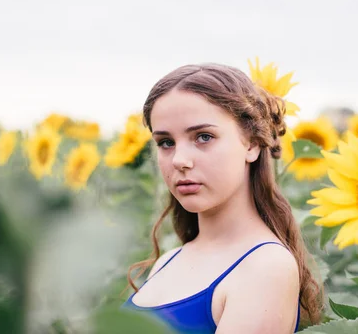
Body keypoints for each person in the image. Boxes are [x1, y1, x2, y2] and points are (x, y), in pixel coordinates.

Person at [122, 63, 323, 333]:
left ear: (251, 144)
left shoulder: (265, 268)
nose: (180, 160)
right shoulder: (167, 261)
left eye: (204, 137)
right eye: (166, 143)